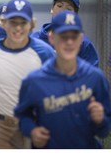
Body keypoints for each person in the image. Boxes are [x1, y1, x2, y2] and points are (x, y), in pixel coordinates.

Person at [15, 10, 111, 149]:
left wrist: (100, 120)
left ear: (81, 39)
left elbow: (104, 130)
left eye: (74, 36)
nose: (69, 42)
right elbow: (22, 116)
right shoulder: (34, 80)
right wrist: (32, 130)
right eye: (63, 36)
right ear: (52, 38)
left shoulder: (95, 78)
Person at [0, 0, 55, 149]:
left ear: (31, 25)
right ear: (3, 23)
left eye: (23, 22)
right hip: (0, 124)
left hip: (34, 124)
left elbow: (56, 84)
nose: (18, 28)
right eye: (13, 22)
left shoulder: (45, 52)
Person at [31, 0, 99, 67]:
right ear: (52, 9)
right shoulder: (34, 39)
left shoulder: (83, 43)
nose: (62, 10)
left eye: (69, 9)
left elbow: (91, 75)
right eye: (59, 6)